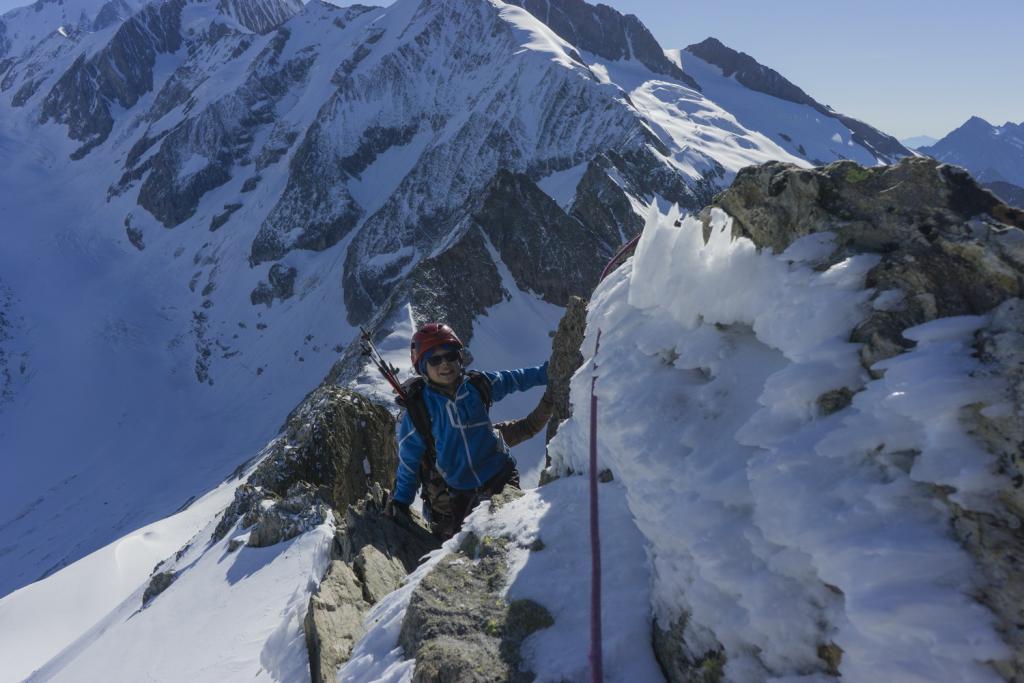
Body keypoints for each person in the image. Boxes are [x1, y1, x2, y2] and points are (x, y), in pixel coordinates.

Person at [387, 322, 550, 538]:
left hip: (500, 474)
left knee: (513, 531)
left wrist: (550, 371)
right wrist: (401, 501)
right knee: (469, 544)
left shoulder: (477, 385)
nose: (445, 364)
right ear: (422, 367)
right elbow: (409, 461)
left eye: (451, 356)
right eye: (435, 360)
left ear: (460, 358)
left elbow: (516, 378)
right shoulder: (419, 411)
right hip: (459, 490)